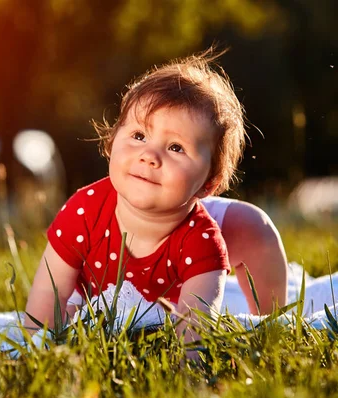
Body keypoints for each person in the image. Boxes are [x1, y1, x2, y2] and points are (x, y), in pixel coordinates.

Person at [24, 49, 288, 345]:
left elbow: (195, 331)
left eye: (176, 147)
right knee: (75, 316)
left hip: (182, 247)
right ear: (112, 143)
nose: (149, 155)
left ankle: (272, 321)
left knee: (254, 227)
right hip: (96, 292)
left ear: (208, 183)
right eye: (139, 136)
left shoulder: (202, 240)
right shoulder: (84, 211)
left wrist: (190, 368)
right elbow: (50, 291)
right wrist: (37, 345)